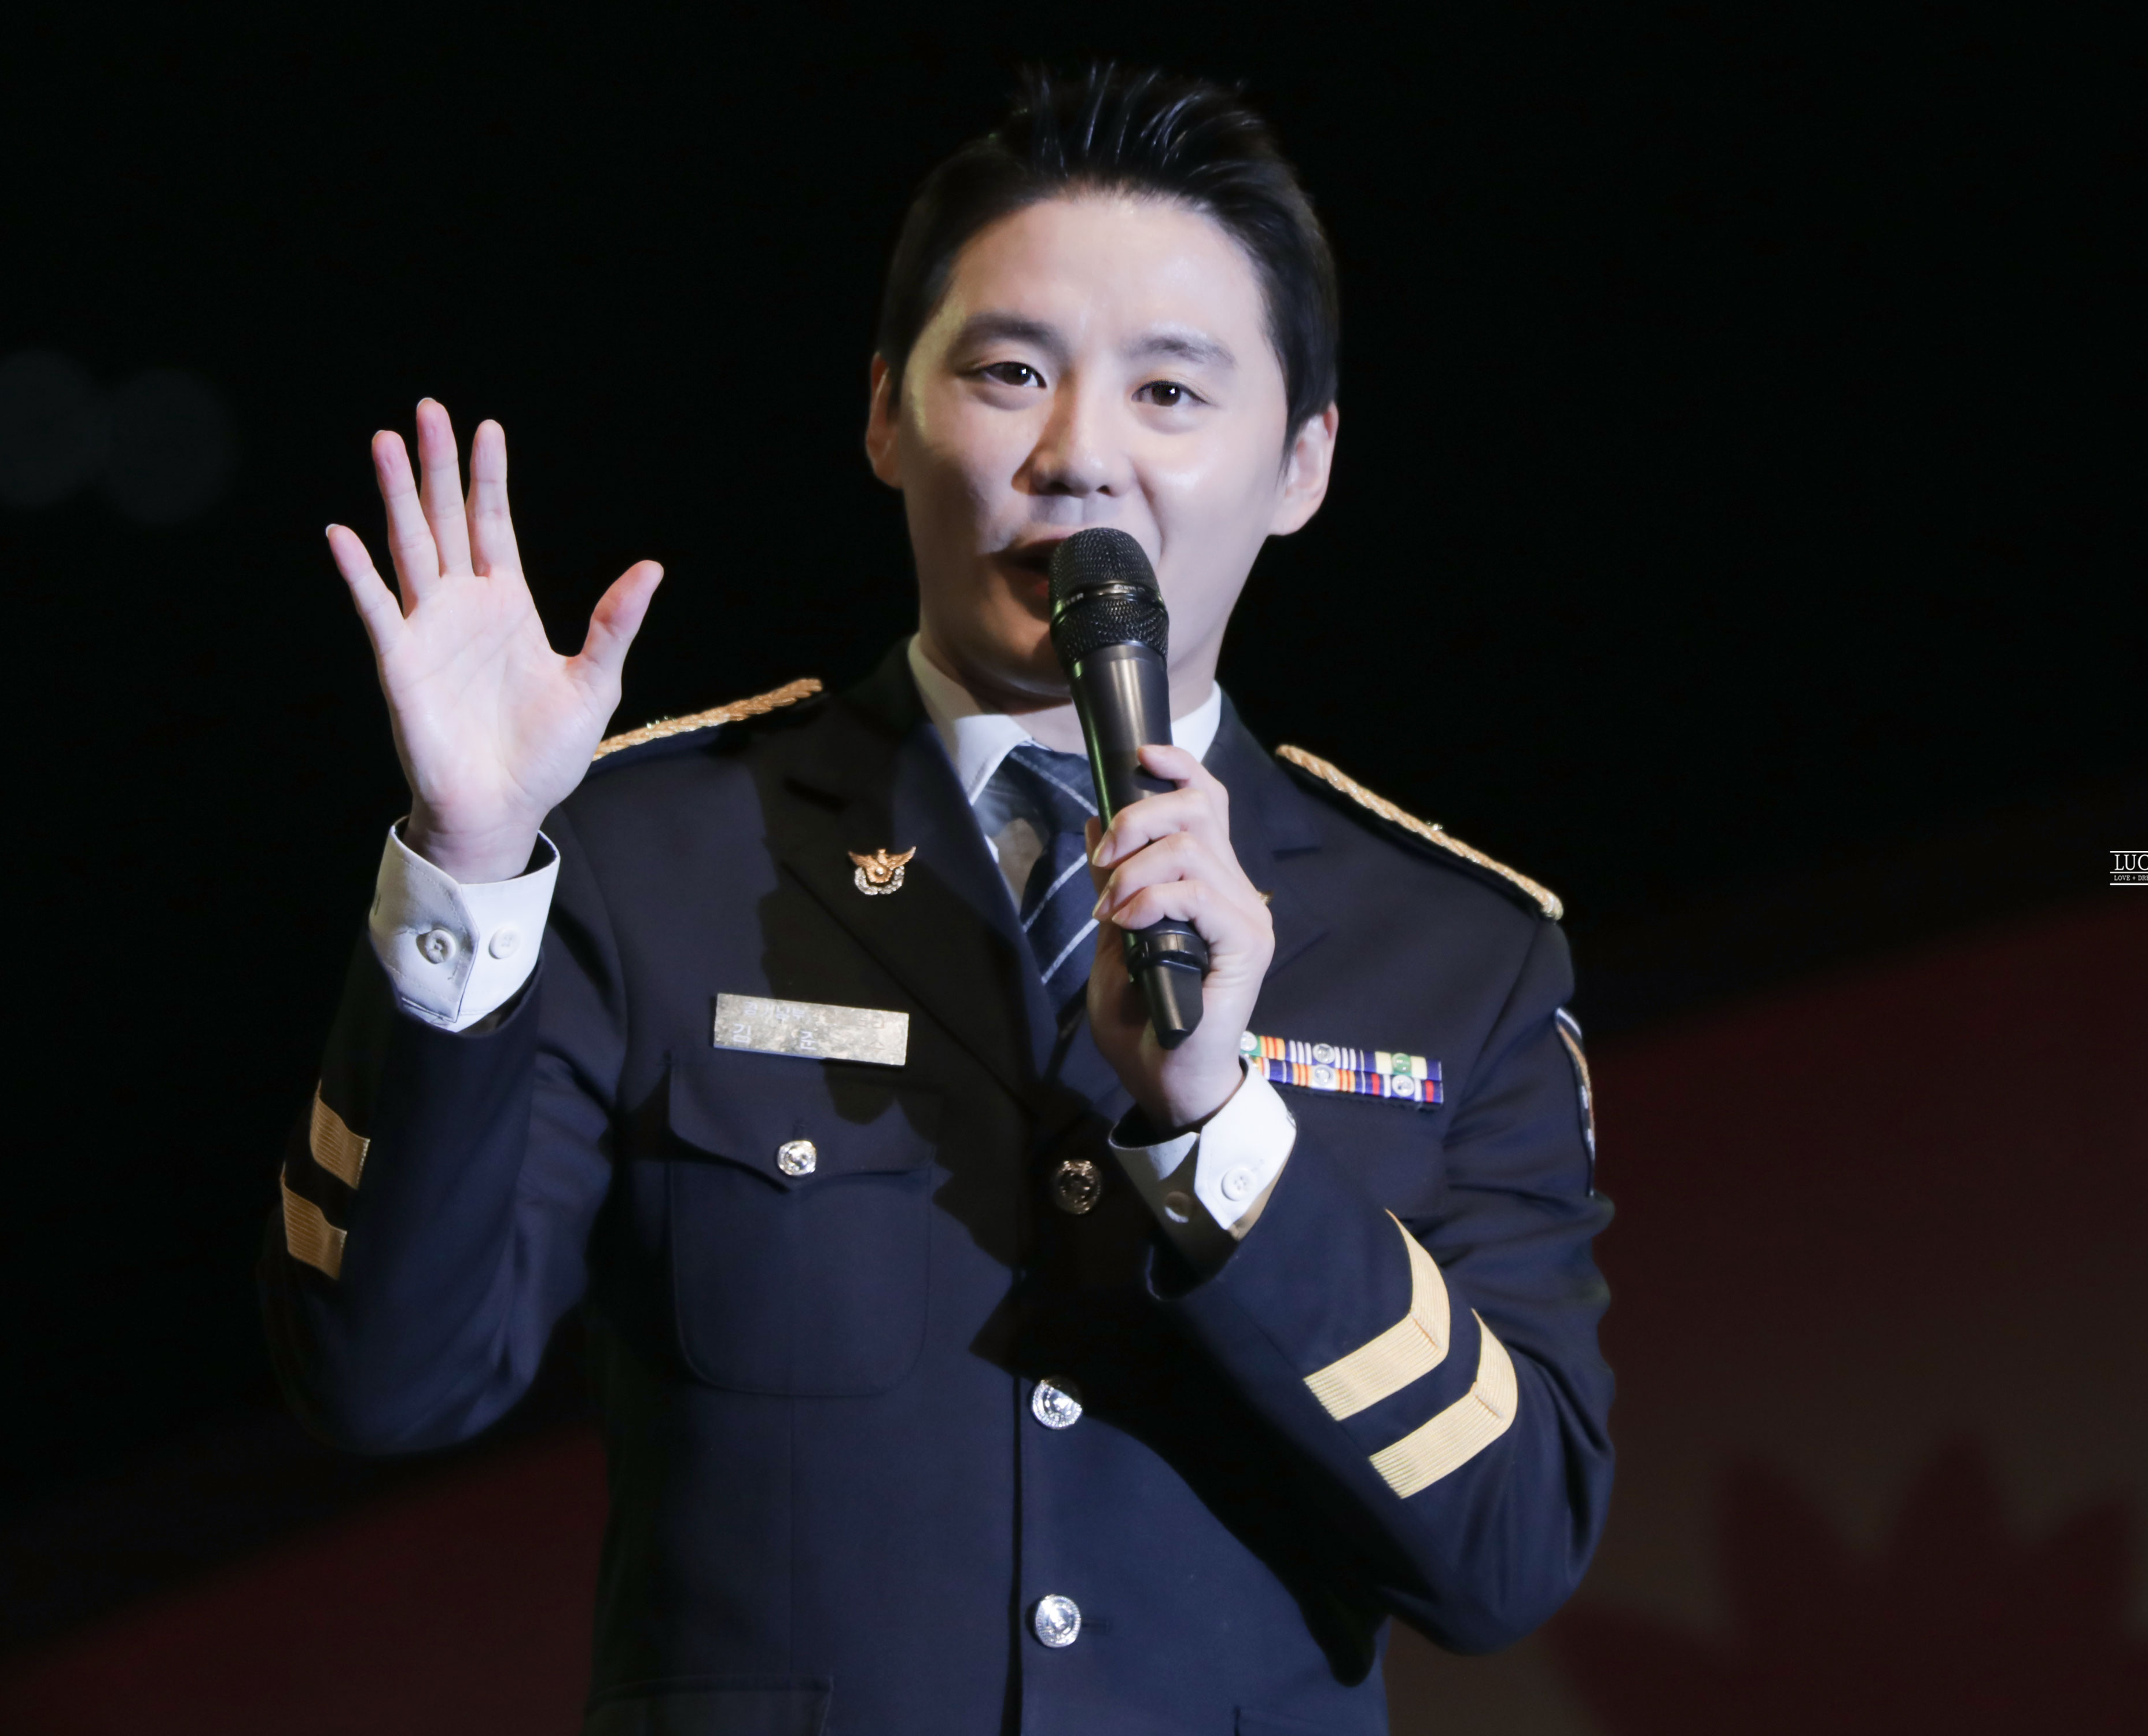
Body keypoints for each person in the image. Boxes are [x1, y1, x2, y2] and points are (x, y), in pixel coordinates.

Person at [263, 64, 1613, 1736]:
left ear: (1302, 463)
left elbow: (1509, 1552)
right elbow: (385, 1382)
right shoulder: (650, 856)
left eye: (1170, 391)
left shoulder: (1458, 953)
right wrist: (465, 867)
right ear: (885, 416)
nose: (1078, 456)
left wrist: (1221, 1131)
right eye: (1008, 373)